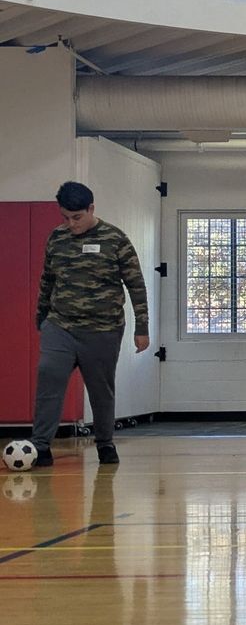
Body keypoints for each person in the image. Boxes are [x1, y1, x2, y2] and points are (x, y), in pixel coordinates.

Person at [32, 181, 150, 467]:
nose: (71, 224)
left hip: (102, 329)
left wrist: (141, 328)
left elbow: (136, 284)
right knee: (49, 377)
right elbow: (47, 280)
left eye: (77, 217)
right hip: (60, 325)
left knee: (100, 389)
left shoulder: (115, 239)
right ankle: (40, 446)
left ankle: (105, 444)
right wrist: (42, 317)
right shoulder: (56, 238)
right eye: (66, 217)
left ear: (91, 209)